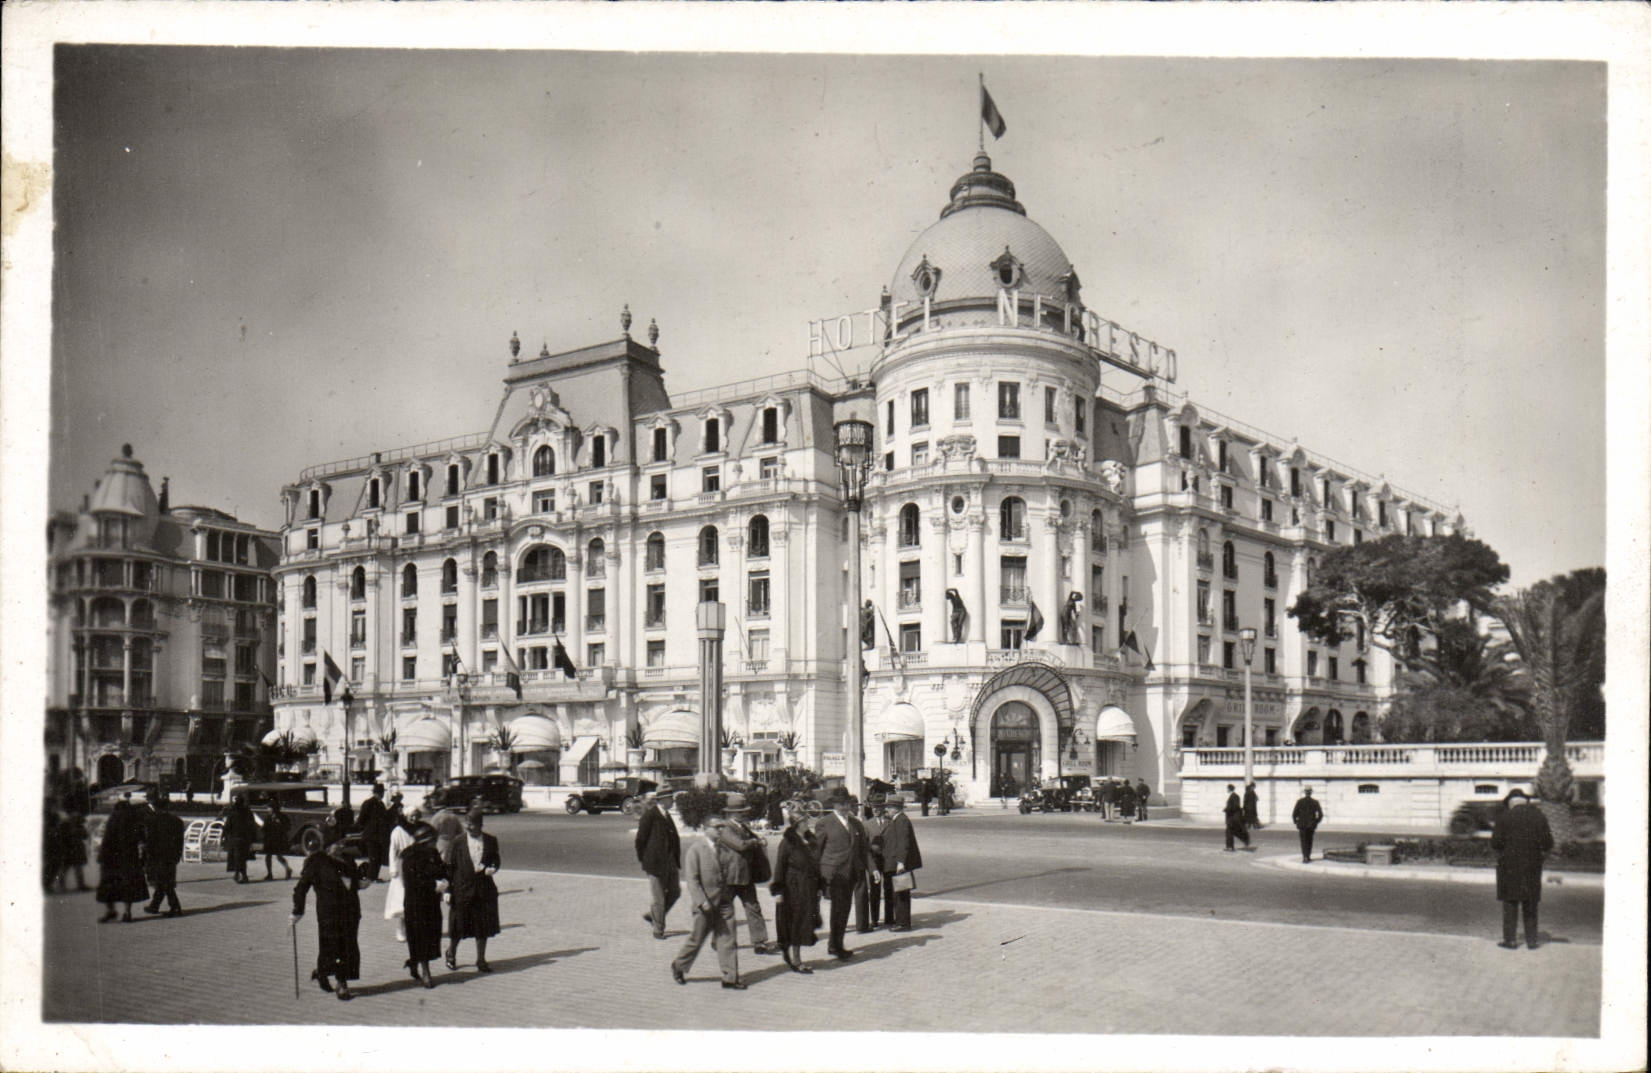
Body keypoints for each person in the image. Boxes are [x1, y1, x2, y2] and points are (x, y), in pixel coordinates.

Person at [670, 805, 743, 989]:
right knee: (697, 939)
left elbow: (728, 873)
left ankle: (730, 977)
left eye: (722, 827)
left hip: (724, 902)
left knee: (728, 939)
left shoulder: (724, 850)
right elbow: (692, 880)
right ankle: (679, 965)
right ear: (705, 829)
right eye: (716, 827)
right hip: (705, 904)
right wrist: (702, 901)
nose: (720, 830)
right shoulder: (696, 850)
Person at [290, 838, 367, 1000]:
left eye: (343, 843)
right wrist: (298, 910)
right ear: (327, 846)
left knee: (348, 946)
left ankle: (341, 982)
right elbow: (301, 887)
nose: (341, 846)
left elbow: (353, 883)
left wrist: (363, 880)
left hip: (350, 910)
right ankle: (323, 973)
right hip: (329, 913)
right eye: (338, 843)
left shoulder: (348, 859)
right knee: (331, 947)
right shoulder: (316, 861)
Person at [812, 789, 878, 961]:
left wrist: (873, 869)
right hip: (833, 875)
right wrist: (814, 876)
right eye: (841, 803)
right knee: (838, 909)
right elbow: (816, 852)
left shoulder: (856, 824)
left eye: (847, 803)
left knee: (843, 909)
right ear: (834, 804)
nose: (844, 806)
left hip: (851, 873)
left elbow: (864, 850)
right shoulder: (824, 823)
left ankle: (836, 944)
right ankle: (835, 946)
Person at [1491, 788, 1554, 950]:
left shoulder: (1504, 817)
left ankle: (1510, 940)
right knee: (1530, 903)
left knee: (1510, 904)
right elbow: (1548, 843)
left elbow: (1495, 843)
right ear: (1525, 801)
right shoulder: (1539, 816)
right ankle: (1532, 941)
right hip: (1532, 866)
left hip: (1509, 867)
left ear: (1511, 803)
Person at [443, 808, 501, 972]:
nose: (469, 828)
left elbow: (496, 860)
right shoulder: (457, 842)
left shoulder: (491, 841)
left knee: (482, 927)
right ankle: (451, 953)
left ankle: (481, 959)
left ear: (480, 825)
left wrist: (493, 868)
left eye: (472, 825)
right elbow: (449, 867)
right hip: (461, 889)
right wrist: (448, 890)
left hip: (484, 890)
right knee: (458, 926)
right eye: (467, 825)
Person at [717, 793, 774, 954]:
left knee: (753, 907)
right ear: (731, 813)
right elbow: (740, 845)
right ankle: (721, 940)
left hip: (745, 875)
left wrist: (759, 839)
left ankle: (760, 942)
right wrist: (756, 842)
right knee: (725, 910)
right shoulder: (725, 828)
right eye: (741, 811)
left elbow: (750, 840)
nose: (744, 814)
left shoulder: (743, 826)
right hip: (730, 876)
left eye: (744, 811)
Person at [769, 799, 822, 973]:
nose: (808, 823)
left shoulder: (810, 840)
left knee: (805, 923)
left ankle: (796, 958)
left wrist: (820, 886)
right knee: (795, 924)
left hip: (809, 889)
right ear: (797, 824)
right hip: (794, 890)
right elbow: (779, 867)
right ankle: (796, 961)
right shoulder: (788, 843)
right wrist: (778, 891)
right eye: (805, 821)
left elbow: (816, 865)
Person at [397, 820, 447, 988]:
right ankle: (426, 973)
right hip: (416, 903)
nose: (435, 844)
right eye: (433, 840)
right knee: (421, 935)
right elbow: (412, 882)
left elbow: (442, 869)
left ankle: (413, 961)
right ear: (424, 840)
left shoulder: (432, 853)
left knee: (431, 935)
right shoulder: (409, 856)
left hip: (431, 902)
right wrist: (434, 885)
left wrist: (446, 880)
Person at [634, 791, 681, 940]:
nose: (672, 801)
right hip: (655, 863)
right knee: (659, 897)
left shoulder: (666, 815)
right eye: (670, 798)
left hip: (670, 862)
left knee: (675, 892)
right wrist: (645, 860)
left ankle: (653, 916)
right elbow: (640, 840)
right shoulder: (650, 815)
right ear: (662, 800)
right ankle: (658, 929)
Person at [96, 799, 148, 922]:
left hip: (111, 858)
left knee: (109, 885)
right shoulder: (134, 821)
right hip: (129, 858)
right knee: (128, 885)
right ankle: (127, 913)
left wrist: (101, 858)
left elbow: (106, 840)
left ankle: (111, 911)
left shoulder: (113, 819)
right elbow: (142, 838)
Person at [878, 794, 923, 931]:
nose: (887, 810)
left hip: (900, 864)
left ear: (896, 808)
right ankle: (900, 921)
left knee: (901, 894)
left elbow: (903, 843)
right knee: (898, 893)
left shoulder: (901, 820)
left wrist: (900, 862)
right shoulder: (897, 819)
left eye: (889, 807)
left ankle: (903, 923)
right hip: (898, 862)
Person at [142, 789, 186, 916]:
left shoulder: (151, 821)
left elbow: (149, 841)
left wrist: (147, 857)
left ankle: (175, 907)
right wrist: (178, 855)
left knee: (164, 883)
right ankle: (154, 905)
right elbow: (180, 841)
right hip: (171, 856)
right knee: (164, 881)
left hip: (157, 856)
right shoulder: (177, 821)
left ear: (155, 807)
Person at [384, 805, 423, 942]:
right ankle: (401, 928)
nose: (414, 818)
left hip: (418, 867)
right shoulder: (398, 831)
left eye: (416, 815)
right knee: (403, 900)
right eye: (411, 815)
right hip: (402, 868)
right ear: (406, 816)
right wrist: (393, 868)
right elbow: (392, 850)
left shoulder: (420, 829)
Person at [856, 800, 886, 932]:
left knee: (890, 888)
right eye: (874, 807)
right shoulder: (867, 824)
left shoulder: (889, 822)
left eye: (878, 807)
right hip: (874, 860)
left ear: (883, 808)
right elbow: (865, 845)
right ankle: (874, 919)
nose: (875, 810)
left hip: (887, 860)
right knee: (875, 890)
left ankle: (890, 917)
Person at [356, 782, 390, 883]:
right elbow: (362, 819)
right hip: (372, 835)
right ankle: (371, 878)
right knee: (374, 857)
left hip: (376, 835)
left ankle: (373, 877)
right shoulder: (372, 803)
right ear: (378, 793)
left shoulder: (377, 804)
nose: (382, 794)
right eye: (381, 792)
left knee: (376, 857)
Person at [222, 797, 258, 883]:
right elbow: (252, 826)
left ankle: (240, 875)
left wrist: (224, 834)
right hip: (245, 839)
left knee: (237, 857)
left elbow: (228, 826)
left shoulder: (233, 813)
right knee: (242, 858)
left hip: (235, 838)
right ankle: (241, 875)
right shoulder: (248, 813)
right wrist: (252, 839)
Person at [57, 810, 92, 892]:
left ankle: (62, 886)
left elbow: (85, 836)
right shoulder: (73, 826)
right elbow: (85, 836)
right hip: (73, 849)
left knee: (67, 868)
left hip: (70, 849)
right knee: (73, 868)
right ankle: (80, 885)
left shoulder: (66, 826)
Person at [262, 799, 294, 880]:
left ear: (274, 808)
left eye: (269, 807)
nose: (268, 809)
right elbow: (264, 828)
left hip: (278, 839)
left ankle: (287, 869)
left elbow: (288, 827)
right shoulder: (267, 817)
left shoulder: (282, 817)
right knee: (268, 856)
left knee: (279, 856)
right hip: (269, 839)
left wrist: (280, 824)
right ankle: (269, 874)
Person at [1291, 787, 1324, 863]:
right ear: (1311, 793)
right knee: (1309, 840)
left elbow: (1294, 814)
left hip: (1302, 825)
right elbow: (1321, 814)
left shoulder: (1300, 801)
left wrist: (1296, 822)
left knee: (1303, 841)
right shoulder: (1315, 802)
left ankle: (1304, 856)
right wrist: (1316, 822)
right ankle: (1308, 856)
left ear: (1305, 793)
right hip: (1311, 825)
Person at [1223, 784, 1251, 852]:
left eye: (1227, 788)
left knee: (1230, 832)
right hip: (1231, 818)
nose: (1227, 790)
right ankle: (1230, 847)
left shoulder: (1235, 796)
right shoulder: (1233, 796)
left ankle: (1231, 847)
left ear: (1230, 789)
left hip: (1232, 818)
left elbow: (1236, 806)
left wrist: (1227, 809)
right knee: (1229, 832)